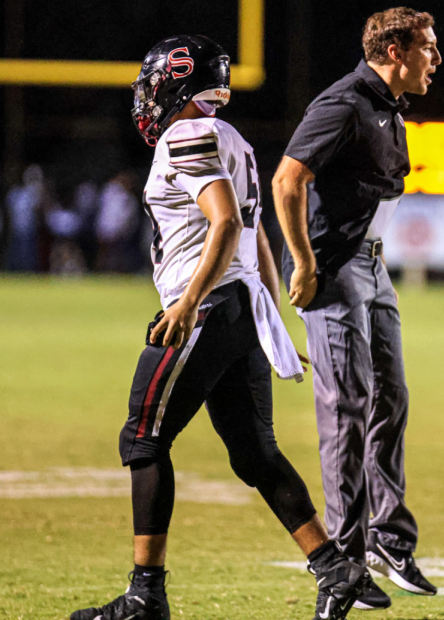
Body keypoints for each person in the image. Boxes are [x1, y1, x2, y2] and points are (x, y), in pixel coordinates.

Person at [70, 35, 369, 620]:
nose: (146, 94)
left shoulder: (186, 134)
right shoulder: (229, 136)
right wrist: (267, 321)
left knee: (143, 437)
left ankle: (145, 595)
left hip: (205, 306)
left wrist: (187, 304)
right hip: (237, 307)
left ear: (175, 82)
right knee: (254, 452)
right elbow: (255, 232)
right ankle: (335, 568)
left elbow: (227, 222)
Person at [272, 7, 441, 610]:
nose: (436, 59)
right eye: (427, 46)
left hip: (373, 266)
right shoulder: (344, 102)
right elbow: (287, 180)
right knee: (346, 407)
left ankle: (387, 538)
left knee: (389, 397)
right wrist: (303, 262)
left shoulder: (387, 105)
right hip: (336, 269)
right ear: (394, 50)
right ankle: (341, 561)